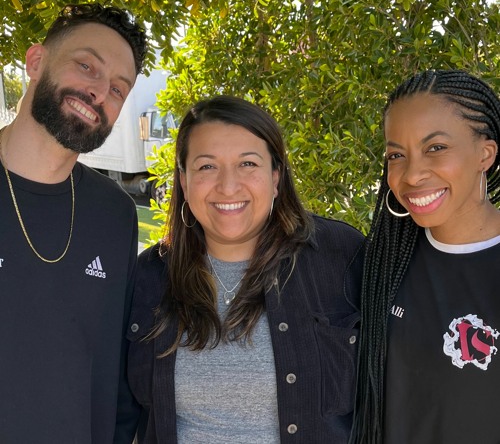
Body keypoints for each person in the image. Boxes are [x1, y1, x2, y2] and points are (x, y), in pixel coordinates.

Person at [126, 95, 365, 443]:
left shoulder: (341, 257)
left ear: (276, 176)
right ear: (183, 179)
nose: (228, 186)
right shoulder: (147, 279)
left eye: (248, 164)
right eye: (207, 166)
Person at [0, 3, 148, 443]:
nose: (100, 92)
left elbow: (116, 375)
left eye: (119, 89)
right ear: (36, 61)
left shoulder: (115, 215)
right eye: (87, 66)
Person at [350, 70, 500, 444]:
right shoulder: (382, 265)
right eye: (397, 155)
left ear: (485, 154)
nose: (413, 174)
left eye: (436, 148)